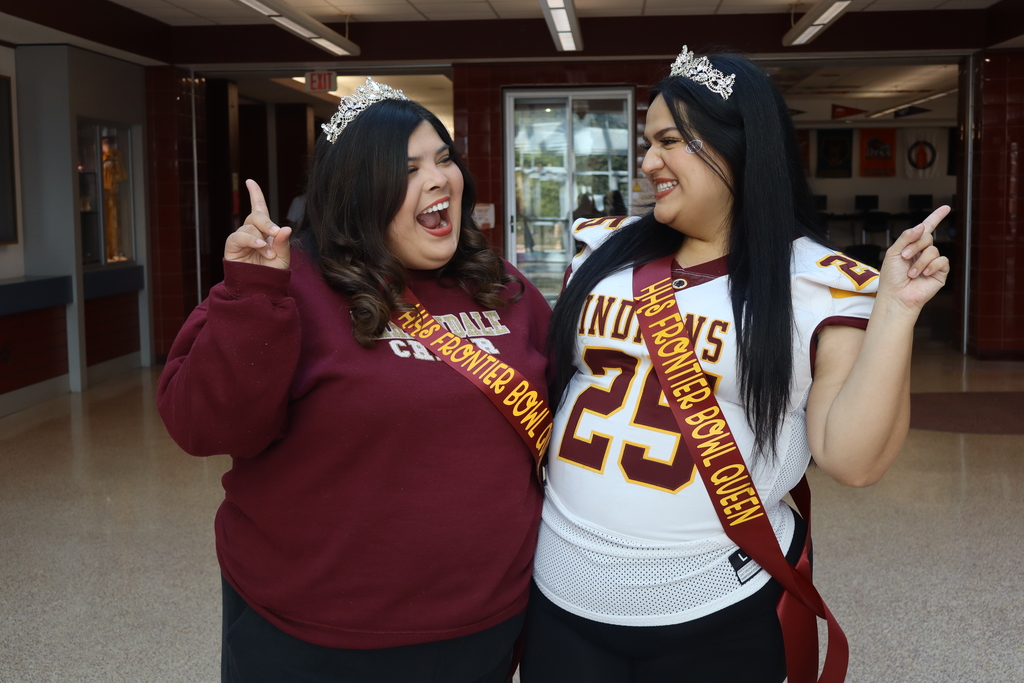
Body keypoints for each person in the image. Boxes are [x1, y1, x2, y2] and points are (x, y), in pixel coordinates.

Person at [519, 47, 950, 683]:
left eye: (669, 140)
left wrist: (895, 312)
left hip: (713, 600)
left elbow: (854, 461)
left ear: (739, 147)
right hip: (562, 591)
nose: (647, 162)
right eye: (646, 142)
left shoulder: (815, 285)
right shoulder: (602, 251)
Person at [157, 78, 552, 683]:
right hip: (309, 636)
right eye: (407, 167)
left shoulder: (506, 289)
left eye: (443, 159)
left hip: (483, 628)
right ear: (356, 190)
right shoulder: (285, 281)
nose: (438, 178)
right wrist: (252, 296)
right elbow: (201, 425)